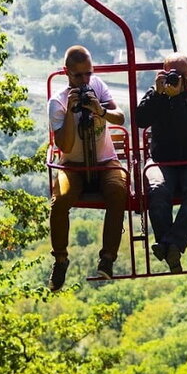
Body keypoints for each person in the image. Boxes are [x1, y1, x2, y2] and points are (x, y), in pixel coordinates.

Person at [48, 45, 129, 291]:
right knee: (60, 201)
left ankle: (107, 258)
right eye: (78, 76)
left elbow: (120, 117)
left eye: (88, 74)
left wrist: (99, 110)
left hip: (105, 160)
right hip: (73, 165)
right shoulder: (58, 103)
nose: (84, 81)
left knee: (118, 191)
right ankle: (60, 259)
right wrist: (73, 111)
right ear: (67, 73)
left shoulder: (98, 87)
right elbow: (66, 144)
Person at [134, 52, 187, 272]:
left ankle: (172, 244)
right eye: (171, 73)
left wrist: (177, 98)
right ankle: (168, 246)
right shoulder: (156, 95)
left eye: (180, 74)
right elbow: (140, 119)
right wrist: (159, 96)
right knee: (158, 189)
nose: (175, 78)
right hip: (163, 161)